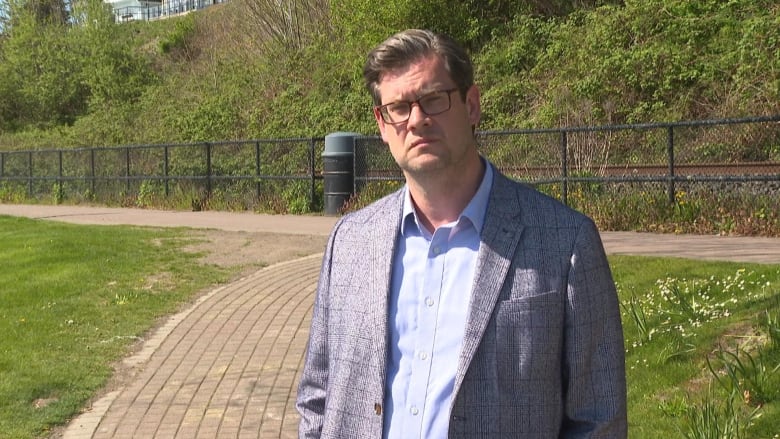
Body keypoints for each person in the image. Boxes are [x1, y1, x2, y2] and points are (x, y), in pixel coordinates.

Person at [296, 29, 627, 438]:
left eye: (434, 99)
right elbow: (317, 394)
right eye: (398, 107)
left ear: (471, 105)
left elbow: (598, 418)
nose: (417, 120)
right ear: (382, 125)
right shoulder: (349, 241)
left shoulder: (565, 242)